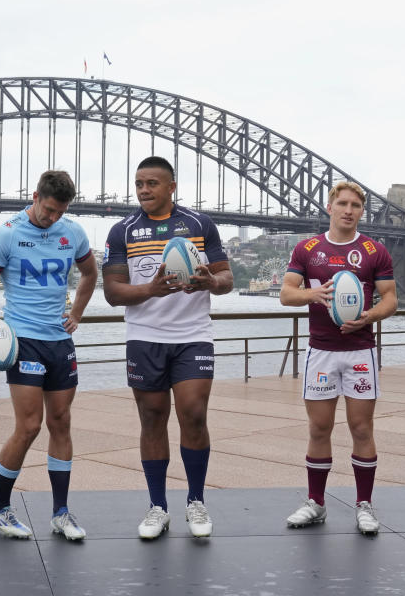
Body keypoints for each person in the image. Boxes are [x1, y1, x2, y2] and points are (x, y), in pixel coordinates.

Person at [102, 156, 233, 539]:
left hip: (193, 334)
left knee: (193, 413)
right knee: (152, 417)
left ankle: (196, 501)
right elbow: (112, 293)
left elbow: (226, 278)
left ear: (171, 187)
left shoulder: (199, 225)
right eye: (139, 183)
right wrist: (150, 290)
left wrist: (211, 282)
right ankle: (158, 506)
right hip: (144, 336)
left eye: (152, 183)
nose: (144, 190)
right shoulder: (121, 231)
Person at [0, 170, 97, 541]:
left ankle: (61, 513)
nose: (53, 218)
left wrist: (77, 315)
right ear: (35, 196)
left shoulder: (73, 231)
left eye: (60, 212)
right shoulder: (7, 233)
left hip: (60, 342)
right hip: (23, 341)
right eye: (48, 210)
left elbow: (90, 274)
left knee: (61, 422)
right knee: (29, 426)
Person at [279, 181, 397, 535]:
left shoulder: (375, 251)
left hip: (360, 350)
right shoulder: (308, 248)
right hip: (321, 351)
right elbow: (286, 294)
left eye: (355, 205)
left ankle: (364, 504)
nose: (348, 210)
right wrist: (312, 293)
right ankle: (316, 502)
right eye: (342, 203)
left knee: (362, 428)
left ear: (362, 211)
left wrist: (371, 316)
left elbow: (390, 299)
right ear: (330, 207)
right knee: (319, 428)